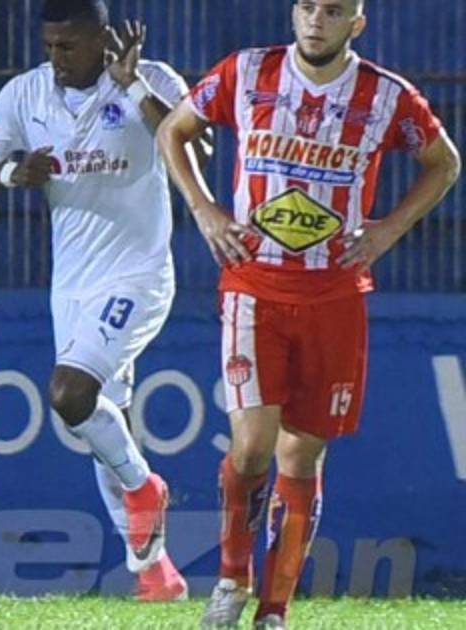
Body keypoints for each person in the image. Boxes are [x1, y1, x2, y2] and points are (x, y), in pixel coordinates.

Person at [156, 0, 460, 627]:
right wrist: (205, 211)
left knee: (300, 459)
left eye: (332, 10)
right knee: (251, 448)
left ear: (356, 23)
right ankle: (232, 579)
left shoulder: (386, 96)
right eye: (306, 7)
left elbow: (444, 163)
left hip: (334, 296)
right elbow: (172, 131)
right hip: (254, 286)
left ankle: (274, 609)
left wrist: (389, 230)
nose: (316, 20)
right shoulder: (247, 72)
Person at [0, 0, 208, 601]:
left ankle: (145, 488)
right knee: (103, 423)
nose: (56, 58)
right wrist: (13, 174)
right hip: (71, 284)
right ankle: (155, 573)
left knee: (70, 393)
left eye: (68, 46)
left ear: (101, 38)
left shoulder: (153, 78)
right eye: (49, 46)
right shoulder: (27, 94)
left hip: (138, 276)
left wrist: (133, 87)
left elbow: (195, 153)